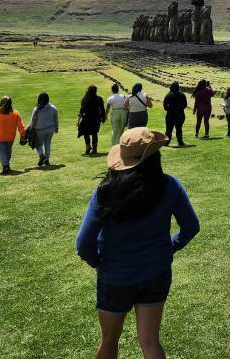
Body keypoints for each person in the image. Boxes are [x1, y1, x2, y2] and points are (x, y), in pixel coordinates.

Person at [76, 128, 200, 359]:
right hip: (156, 271)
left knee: (109, 340)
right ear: (155, 157)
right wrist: (170, 247)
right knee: (150, 342)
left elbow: (83, 243)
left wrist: (98, 262)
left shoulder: (105, 191)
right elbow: (191, 226)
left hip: (115, 274)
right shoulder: (170, 186)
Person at [0, 96, 25, 175]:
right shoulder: (15, 113)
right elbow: (20, 125)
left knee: (1, 152)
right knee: (8, 151)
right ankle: (6, 165)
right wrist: (22, 135)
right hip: (10, 136)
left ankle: (5, 166)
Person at [29, 91, 59, 167]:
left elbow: (33, 120)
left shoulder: (36, 109)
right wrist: (56, 127)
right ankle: (47, 160)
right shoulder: (53, 108)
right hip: (50, 129)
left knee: (38, 144)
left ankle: (41, 156)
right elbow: (56, 119)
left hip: (39, 130)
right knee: (47, 144)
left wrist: (31, 128)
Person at [78, 86, 106, 155]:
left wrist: (78, 120)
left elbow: (81, 110)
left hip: (86, 118)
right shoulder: (99, 99)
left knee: (85, 132)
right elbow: (102, 110)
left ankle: (88, 146)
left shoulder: (84, 99)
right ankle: (94, 149)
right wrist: (103, 118)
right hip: (96, 119)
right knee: (94, 134)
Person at [163, 82, 187, 147]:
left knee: (169, 130)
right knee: (179, 129)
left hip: (170, 115)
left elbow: (165, 107)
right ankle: (180, 141)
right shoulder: (182, 95)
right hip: (180, 114)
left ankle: (166, 142)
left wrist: (170, 109)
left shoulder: (168, 95)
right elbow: (185, 105)